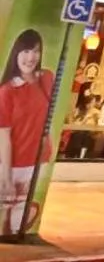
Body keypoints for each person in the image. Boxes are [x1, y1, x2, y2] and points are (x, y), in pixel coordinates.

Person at [0, 29, 54, 235]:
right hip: (11, 163)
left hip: (38, 161)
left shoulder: (47, 79)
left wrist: (49, 145)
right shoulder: (7, 91)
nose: (31, 57)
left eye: (36, 51)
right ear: (16, 54)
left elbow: (47, 115)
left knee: (18, 218)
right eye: (25, 51)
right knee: (5, 213)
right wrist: (5, 175)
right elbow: (3, 136)